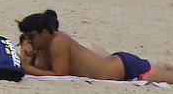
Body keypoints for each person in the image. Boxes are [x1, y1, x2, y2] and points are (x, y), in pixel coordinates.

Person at [16, 10, 173, 81]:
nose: (28, 40)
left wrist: (28, 68)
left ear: (44, 32)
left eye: (31, 36)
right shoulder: (38, 45)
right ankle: (164, 66)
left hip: (127, 69)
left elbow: (59, 75)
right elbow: (23, 65)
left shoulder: (59, 41)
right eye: (26, 36)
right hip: (115, 63)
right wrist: (25, 55)